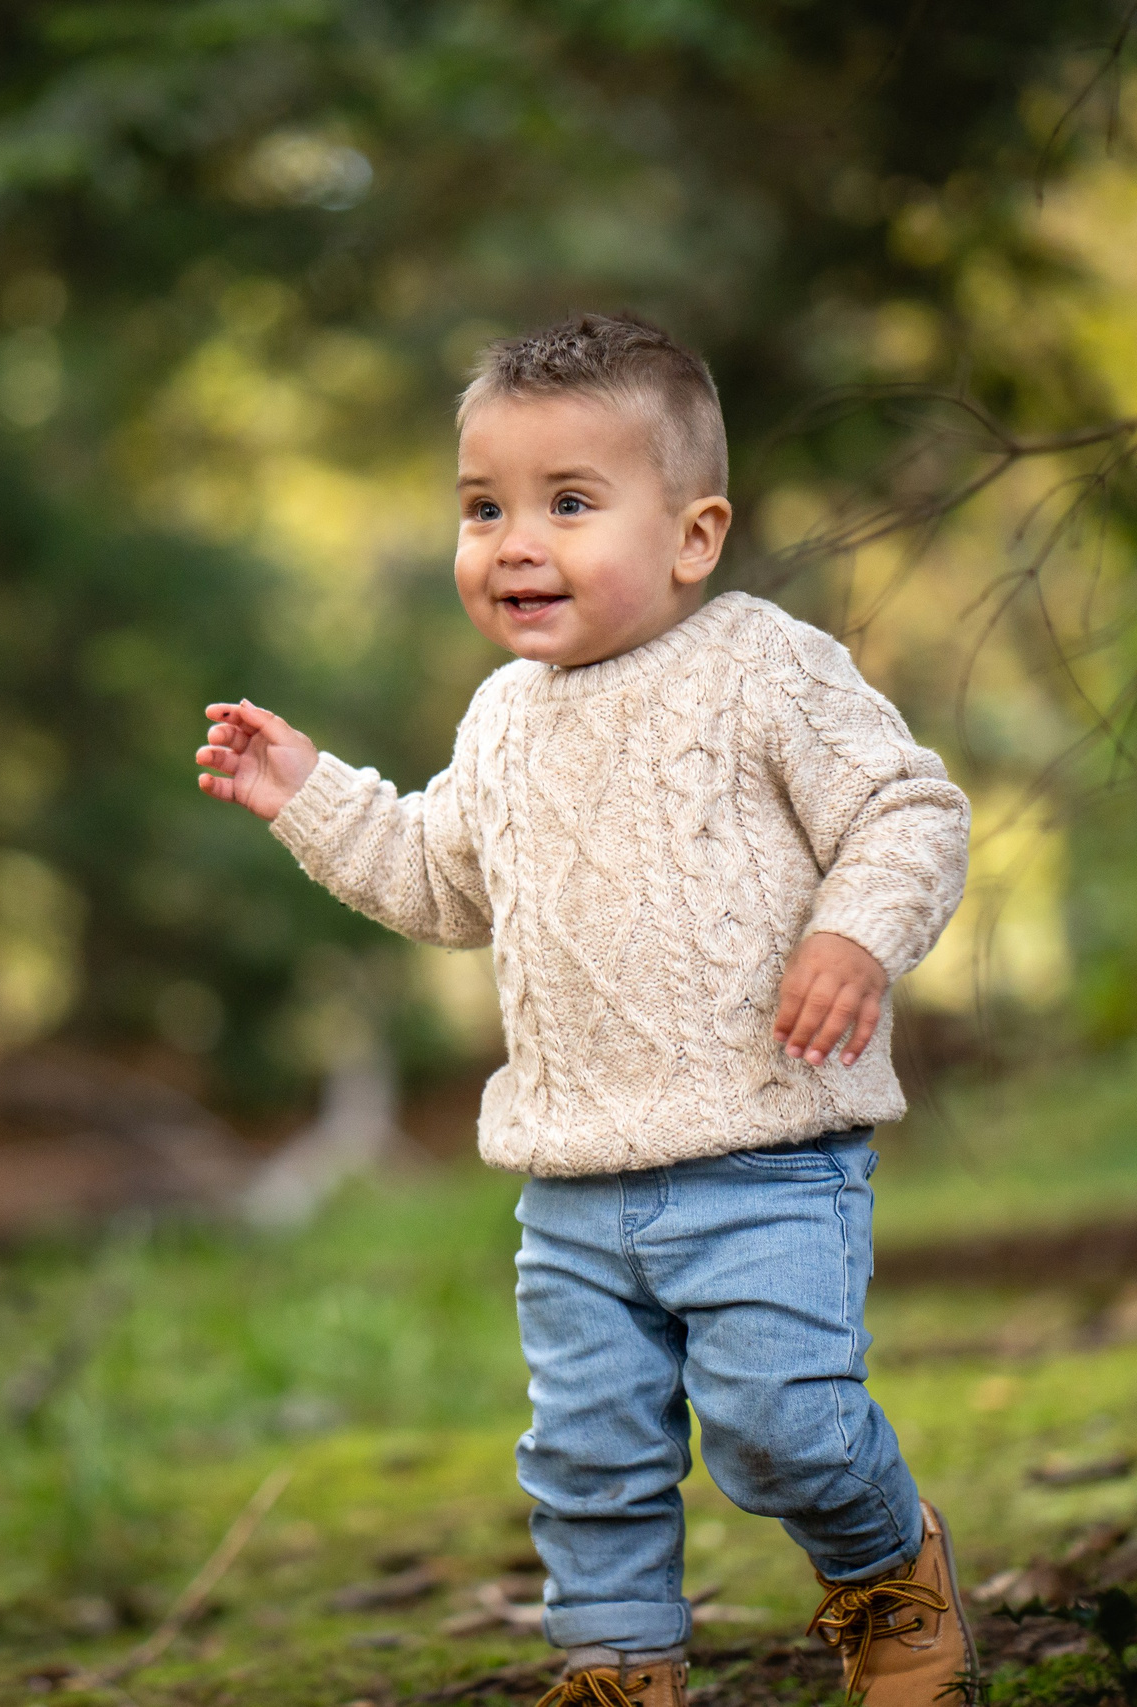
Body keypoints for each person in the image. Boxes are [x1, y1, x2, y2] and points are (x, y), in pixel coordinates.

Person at [194, 313, 976, 1706]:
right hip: (571, 1178)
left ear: (693, 534)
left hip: (765, 1156)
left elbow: (907, 808)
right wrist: (309, 793)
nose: (513, 542)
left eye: (568, 504)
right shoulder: (502, 719)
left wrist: (855, 934)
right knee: (588, 1455)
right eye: (482, 507)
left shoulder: (763, 667)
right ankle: (622, 1669)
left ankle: (888, 1574)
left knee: (782, 1427)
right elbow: (438, 881)